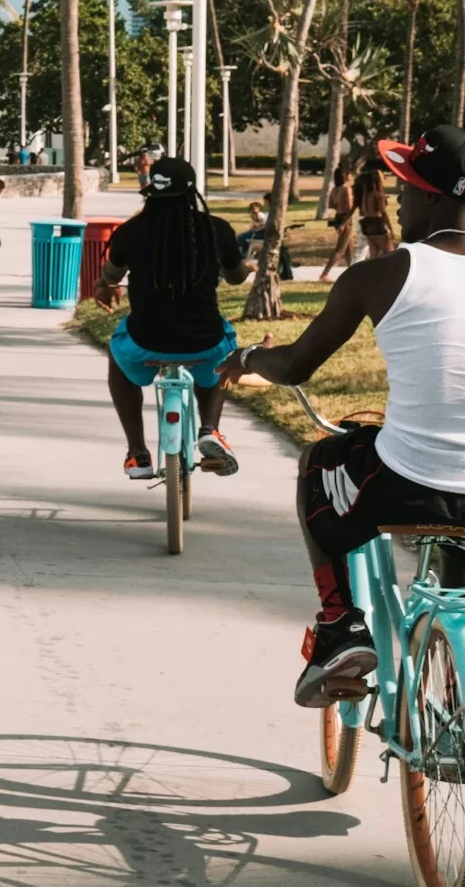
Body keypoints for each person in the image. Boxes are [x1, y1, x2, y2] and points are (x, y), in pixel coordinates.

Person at [218, 125, 465, 709]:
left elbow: (298, 365)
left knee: (320, 465)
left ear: (433, 197)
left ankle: (340, 627)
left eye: (405, 188)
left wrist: (250, 356)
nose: (398, 201)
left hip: (409, 485)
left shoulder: (382, 275)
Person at [93, 156, 252, 480]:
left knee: (116, 355)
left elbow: (111, 273)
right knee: (225, 352)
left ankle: (137, 452)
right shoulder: (215, 230)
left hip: (145, 341)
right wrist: (241, 265)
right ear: (192, 191)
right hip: (204, 341)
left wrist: (105, 283)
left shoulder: (131, 231)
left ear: (151, 191)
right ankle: (210, 429)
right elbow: (236, 278)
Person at [320, 166, 357, 281]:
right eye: (349, 174)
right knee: (340, 248)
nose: (351, 176)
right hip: (346, 219)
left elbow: (331, 205)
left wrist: (339, 205)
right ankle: (325, 273)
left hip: (338, 217)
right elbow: (350, 207)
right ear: (345, 176)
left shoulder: (334, 189)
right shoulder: (347, 189)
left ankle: (353, 271)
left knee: (349, 247)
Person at [358, 164, 397, 259]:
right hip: (376, 224)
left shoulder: (365, 196)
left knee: (373, 254)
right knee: (390, 253)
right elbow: (383, 212)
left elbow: (363, 211)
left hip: (366, 224)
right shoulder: (378, 195)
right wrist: (391, 229)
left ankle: (370, 273)